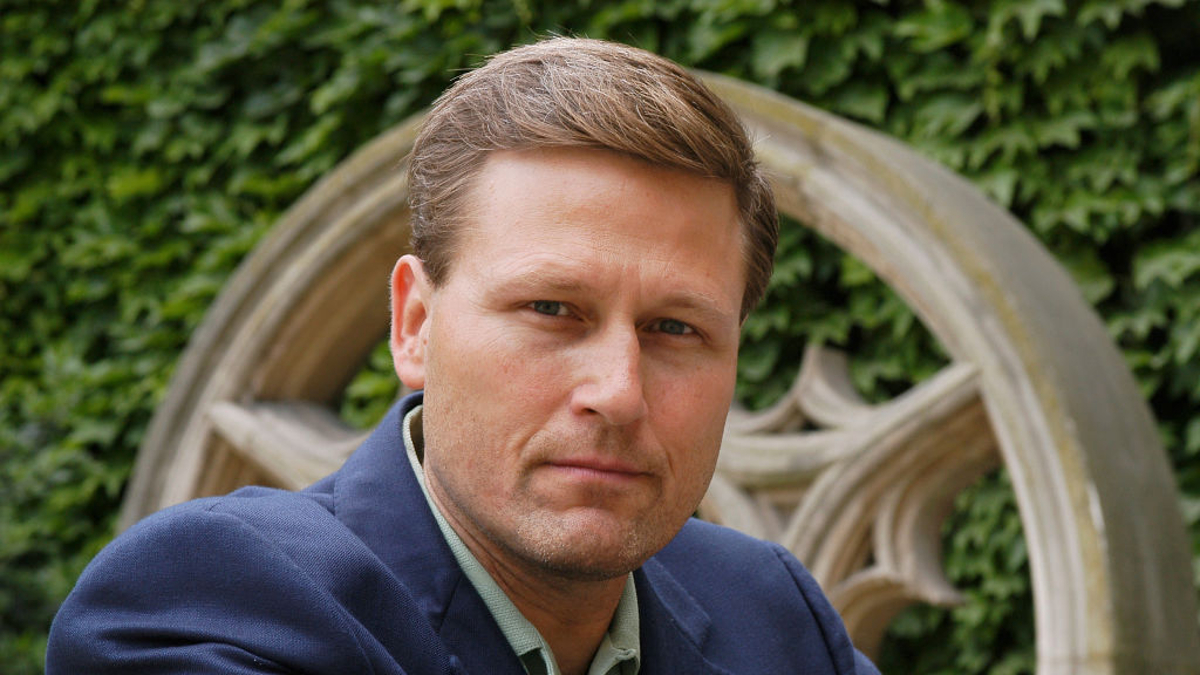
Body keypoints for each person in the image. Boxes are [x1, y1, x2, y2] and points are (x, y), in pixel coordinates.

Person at [47, 37, 880, 675]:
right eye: (552, 309)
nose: (619, 391)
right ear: (414, 323)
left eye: (676, 329)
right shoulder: (208, 602)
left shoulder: (774, 614)